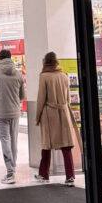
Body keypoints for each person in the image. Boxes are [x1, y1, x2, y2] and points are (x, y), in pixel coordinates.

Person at [34, 52, 80, 186]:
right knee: (66, 146)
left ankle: (44, 174)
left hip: (49, 114)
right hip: (63, 111)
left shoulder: (44, 77)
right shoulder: (64, 76)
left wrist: (37, 117)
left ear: (45, 62)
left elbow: (41, 99)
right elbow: (67, 99)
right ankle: (70, 175)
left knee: (46, 145)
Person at [0, 49, 25, 184]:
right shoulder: (19, 75)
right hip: (15, 113)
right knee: (14, 141)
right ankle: (13, 169)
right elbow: (22, 96)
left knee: (5, 141)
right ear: (11, 58)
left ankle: (10, 172)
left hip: (1, 113)